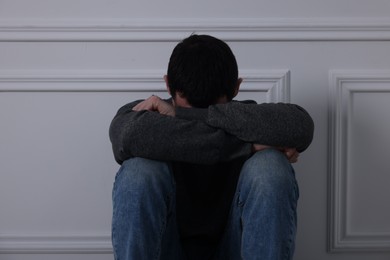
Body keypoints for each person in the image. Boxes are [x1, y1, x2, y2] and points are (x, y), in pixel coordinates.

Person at [109, 34, 314, 260]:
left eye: (211, 106)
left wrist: (181, 114)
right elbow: (128, 135)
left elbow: (300, 126)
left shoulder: (247, 119)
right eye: (190, 104)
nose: (199, 110)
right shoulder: (145, 116)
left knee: (270, 167)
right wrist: (248, 147)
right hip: (166, 249)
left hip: (236, 248)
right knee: (139, 171)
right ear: (236, 87)